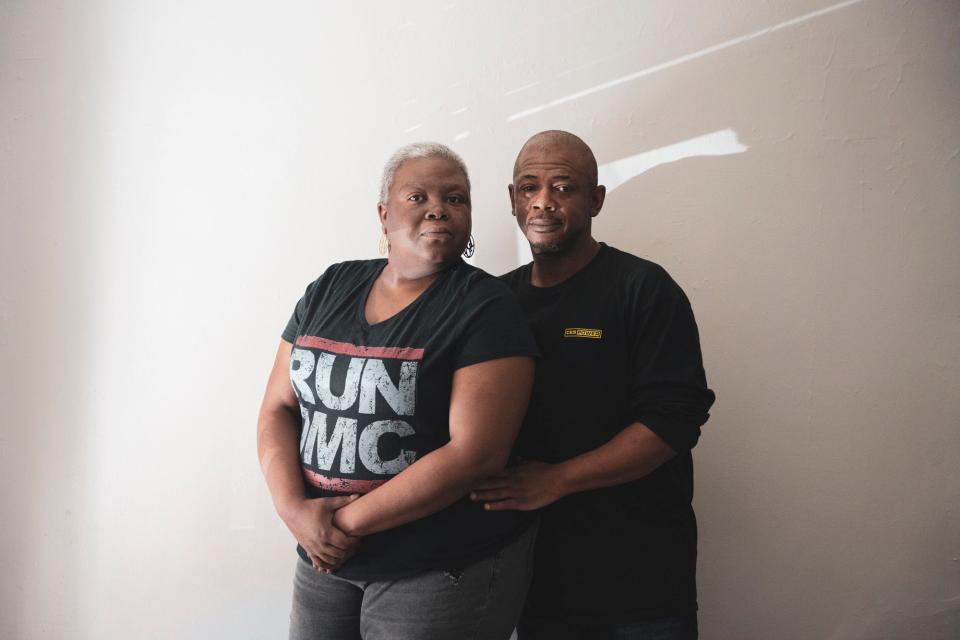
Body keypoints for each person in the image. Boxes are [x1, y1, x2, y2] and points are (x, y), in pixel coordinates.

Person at [257, 142, 539, 640]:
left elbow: (476, 453)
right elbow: (279, 407)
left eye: (456, 198)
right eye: (418, 196)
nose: (438, 208)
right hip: (323, 558)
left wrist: (337, 525)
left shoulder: (486, 307)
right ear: (384, 214)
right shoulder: (330, 286)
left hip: (435, 566)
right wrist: (292, 511)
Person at [471, 130, 716, 640]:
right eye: (529, 187)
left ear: (596, 199)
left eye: (564, 187)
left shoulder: (643, 289)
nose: (543, 201)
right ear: (512, 199)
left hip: (640, 582)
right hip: (533, 581)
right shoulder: (495, 301)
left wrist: (556, 479)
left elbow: (673, 421)